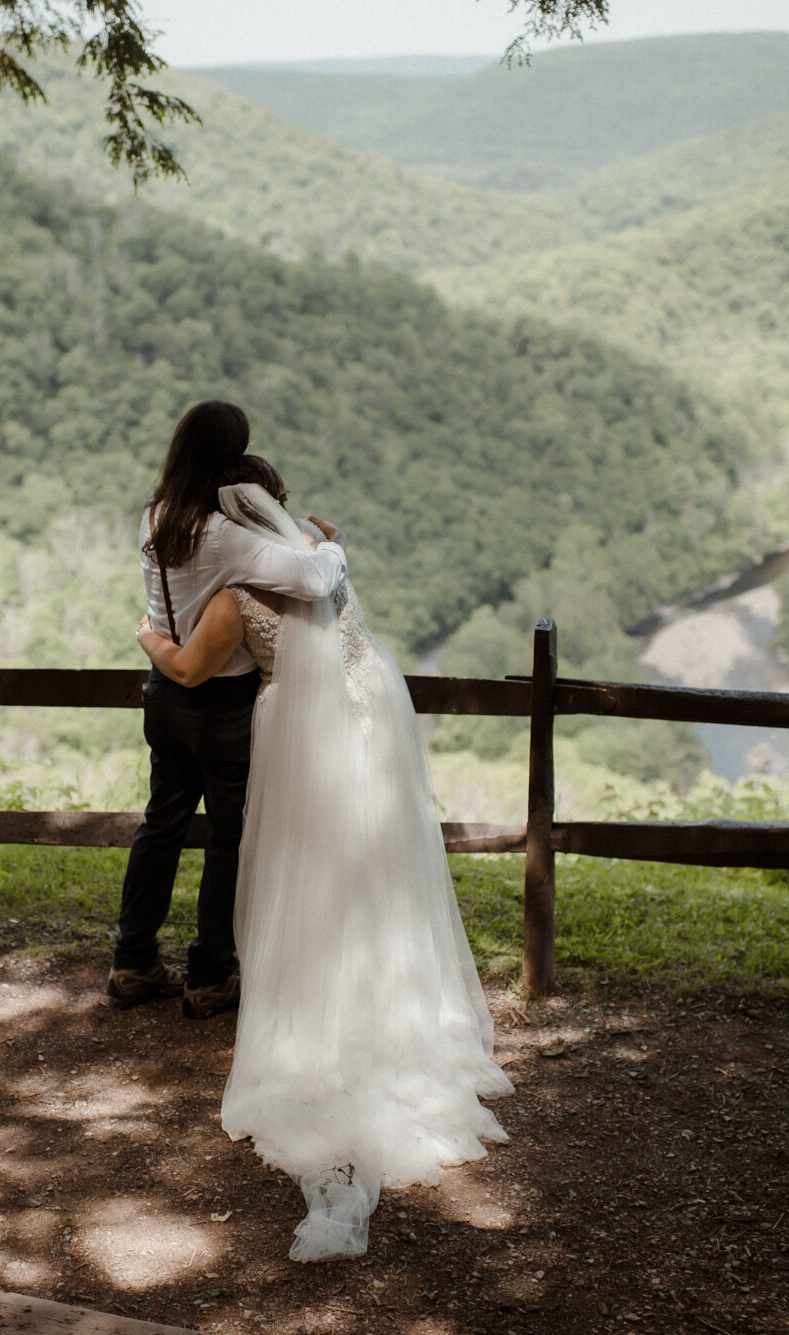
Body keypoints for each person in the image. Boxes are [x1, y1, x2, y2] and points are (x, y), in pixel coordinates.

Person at [135, 461, 512, 1262]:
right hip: (371, 706)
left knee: (302, 872)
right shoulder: (317, 549)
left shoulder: (237, 597)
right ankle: (389, 992)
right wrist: (316, 532)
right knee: (374, 860)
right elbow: (324, 548)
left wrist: (149, 636)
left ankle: (314, 1002)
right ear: (278, 510)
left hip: (306, 732)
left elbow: (191, 667)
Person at [108, 402, 352, 1020]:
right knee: (227, 838)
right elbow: (313, 580)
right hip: (222, 705)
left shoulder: (156, 517)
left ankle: (132, 961)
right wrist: (332, 545)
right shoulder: (223, 537)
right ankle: (209, 975)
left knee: (159, 825)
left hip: (165, 692)